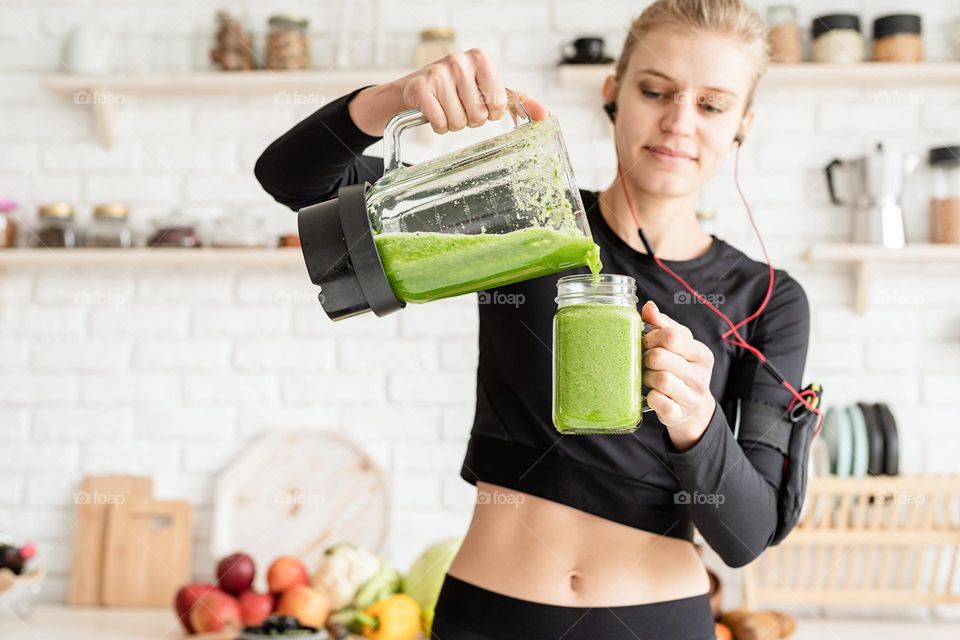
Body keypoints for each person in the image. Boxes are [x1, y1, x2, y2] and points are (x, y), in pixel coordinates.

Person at [255, 1, 811, 638]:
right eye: (656, 90)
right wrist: (394, 100)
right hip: (489, 614)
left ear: (743, 123)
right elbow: (292, 178)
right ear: (613, 93)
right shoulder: (525, 215)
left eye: (712, 105)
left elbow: (747, 533)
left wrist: (697, 423)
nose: (679, 122)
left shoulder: (767, 297)